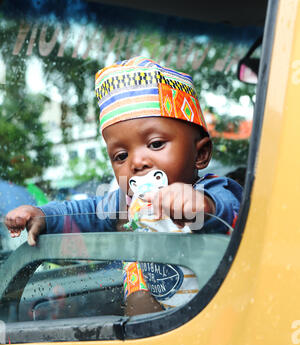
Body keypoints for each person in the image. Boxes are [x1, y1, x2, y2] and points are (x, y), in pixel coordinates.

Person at [4, 56, 242, 316]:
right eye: (121, 156)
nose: (137, 162)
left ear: (200, 154)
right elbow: (87, 213)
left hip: (215, 319)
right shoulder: (127, 204)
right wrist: (45, 216)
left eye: (155, 144)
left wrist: (201, 205)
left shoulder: (214, 190)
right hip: (150, 331)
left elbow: (229, 213)